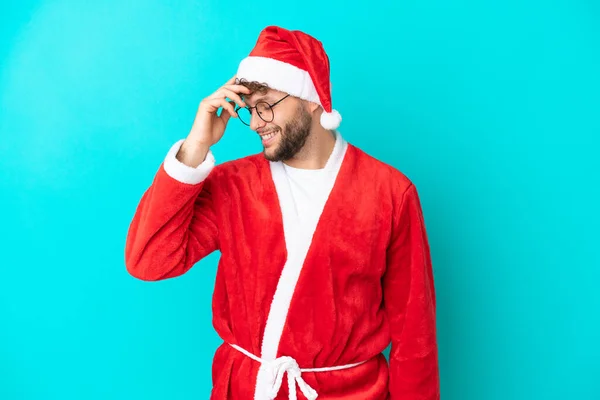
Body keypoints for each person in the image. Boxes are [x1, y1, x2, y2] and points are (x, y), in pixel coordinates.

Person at [125, 25, 440, 400]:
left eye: (266, 105)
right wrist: (195, 146)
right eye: (248, 110)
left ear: (310, 98)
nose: (256, 122)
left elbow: (414, 333)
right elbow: (148, 261)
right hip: (246, 390)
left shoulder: (389, 192)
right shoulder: (233, 185)